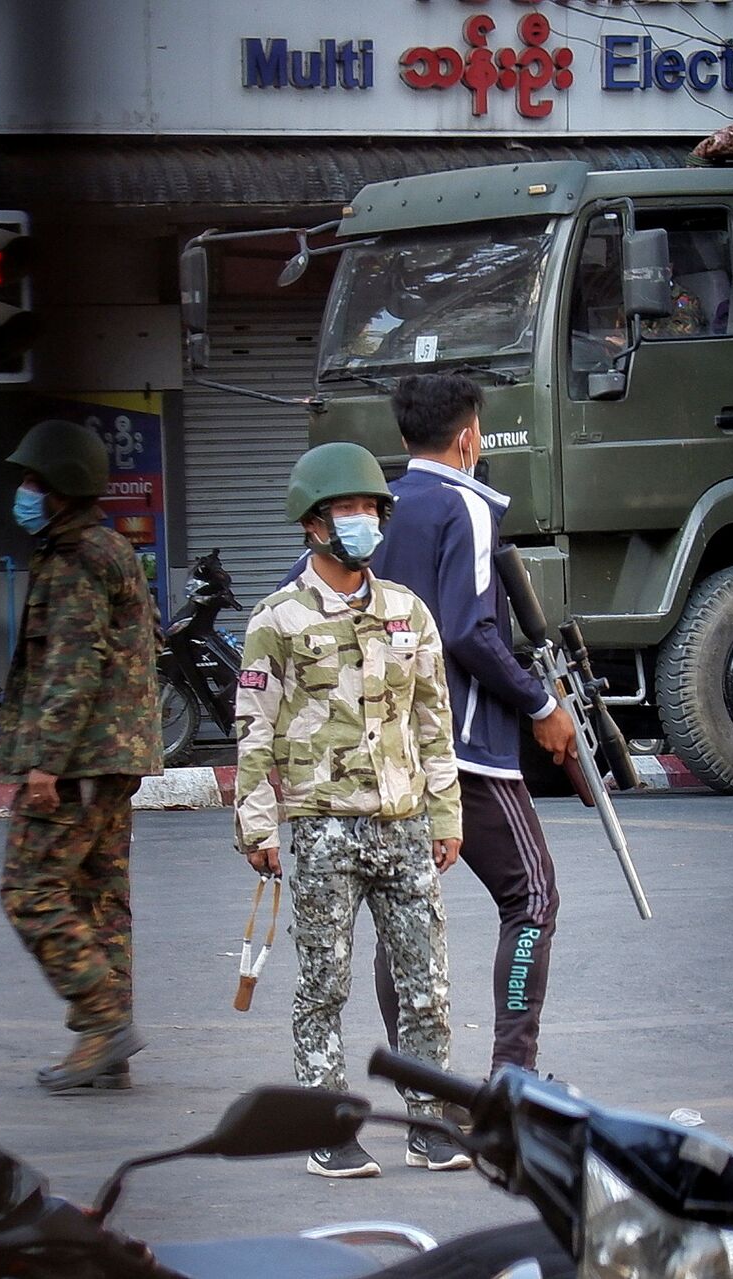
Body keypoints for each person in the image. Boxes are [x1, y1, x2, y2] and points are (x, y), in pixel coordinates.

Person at [233, 441, 471, 1178]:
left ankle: (427, 1126)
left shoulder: (409, 613)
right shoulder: (277, 620)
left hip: (402, 825)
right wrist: (257, 824)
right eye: (348, 509)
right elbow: (254, 729)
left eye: (371, 508)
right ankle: (328, 1130)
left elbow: (434, 720)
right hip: (321, 825)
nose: (364, 521)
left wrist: (446, 813)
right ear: (313, 524)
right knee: (323, 983)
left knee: (426, 983)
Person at [370, 373, 573, 1088]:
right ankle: (512, 1071)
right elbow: (470, 631)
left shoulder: (371, 510)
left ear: (403, 437)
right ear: (468, 438)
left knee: (404, 914)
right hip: (462, 748)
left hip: (384, 750)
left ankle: (423, 1085)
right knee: (532, 897)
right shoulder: (468, 505)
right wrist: (541, 704)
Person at [0, 418, 163, 1092]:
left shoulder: (76, 561)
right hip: (111, 760)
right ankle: (108, 1039)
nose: (26, 492)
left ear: (63, 487)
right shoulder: (104, 549)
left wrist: (46, 762)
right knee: (100, 897)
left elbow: (73, 668)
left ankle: (101, 1018)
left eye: (35, 480)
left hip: (78, 763)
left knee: (29, 890)